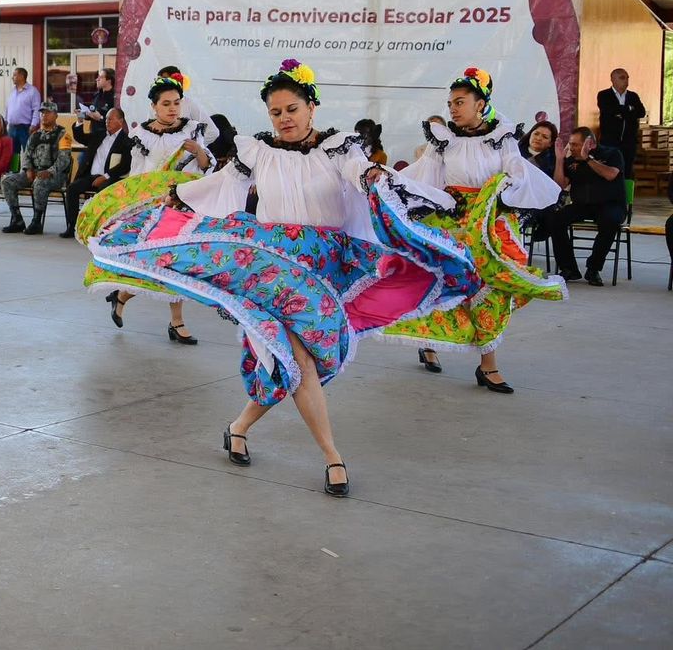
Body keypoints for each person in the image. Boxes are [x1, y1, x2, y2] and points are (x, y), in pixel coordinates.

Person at [93, 60, 475, 496]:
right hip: (272, 267)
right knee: (298, 358)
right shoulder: (258, 152)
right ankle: (332, 457)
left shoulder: (338, 148)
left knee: (293, 361)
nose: (284, 119)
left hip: (328, 266)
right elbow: (222, 188)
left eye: (292, 109)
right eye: (276, 112)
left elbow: (360, 172)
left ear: (312, 107)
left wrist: (375, 177)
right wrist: (180, 196)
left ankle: (239, 427)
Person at [386, 68, 566, 392]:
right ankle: (431, 341)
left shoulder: (502, 137)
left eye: (460, 102)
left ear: (480, 103)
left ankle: (488, 365)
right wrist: (393, 189)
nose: (453, 108)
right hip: (454, 219)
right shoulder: (443, 139)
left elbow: (516, 173)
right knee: (443, 281)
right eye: (450, 102)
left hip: (488, 220)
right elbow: (425, 177)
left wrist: (500, 191)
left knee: (493, 284)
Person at [77, 73, 214, 340]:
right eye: (166, 104)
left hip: (183, 206)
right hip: (154, 208)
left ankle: (175, 320)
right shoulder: (142, 135)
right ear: (154, 106)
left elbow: (206, 169)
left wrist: (198, 151)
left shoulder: (192, 129)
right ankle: (123, 294)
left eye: (176, 103)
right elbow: (138, 176)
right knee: (151, 262)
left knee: (177, 262)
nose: (173, 108)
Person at [547, 127, 626, 286]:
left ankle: (593, 269)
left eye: (575, 144)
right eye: (570, 144)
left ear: (589, 143)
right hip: (582, 205)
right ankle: (569, 268)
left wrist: (588, 159)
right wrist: (560, 160)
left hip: (610, 204)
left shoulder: (611, 154)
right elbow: (559, 184)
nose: (572, 148)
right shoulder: (572, 160)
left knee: (610, 221)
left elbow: (610, 175)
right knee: (555, 219)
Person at [60, 107, 133, 239]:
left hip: (109, 178)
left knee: (103, 192)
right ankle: (73, 226)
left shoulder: (126, 140)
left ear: (120, 121)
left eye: (110, 119)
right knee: (72, 189)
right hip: (90, 176)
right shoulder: (99, 134)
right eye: (106, 119)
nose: (107, 122)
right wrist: (80, 121)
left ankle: (96, 227)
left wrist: (105, 177)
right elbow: (80, 137)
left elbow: (125, 165)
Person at [0, 102, 70, 235]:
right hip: (34, 172)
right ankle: (17, 219)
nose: (44, 116)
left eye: (48, 113)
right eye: (42, 113)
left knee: (39, 183)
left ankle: (37, 221)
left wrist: (49, 172)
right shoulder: (35, 135)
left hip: (55, 176)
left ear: (56, 115)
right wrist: (27, 169)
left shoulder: (63, 135)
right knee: (7, 181)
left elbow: (64, 160)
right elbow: (26, 155)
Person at [596, 68, 645, 174]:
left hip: (629, 142)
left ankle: (625, 191)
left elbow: (641, 112)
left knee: (627, 171)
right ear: (613, 79)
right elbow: (609, 110)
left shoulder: (633, 96)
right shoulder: (604, 95)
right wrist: (629, 109)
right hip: (609, 142)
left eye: (627, 78)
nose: (626, 81)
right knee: (609, 169)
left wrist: (620, 112)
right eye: (622, 78)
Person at [5, 67, 41, 151]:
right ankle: (16, 165)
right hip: (12, 128)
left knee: (28, 153)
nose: (12, 77)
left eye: (14, 75)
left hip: (25, 128)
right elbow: (8, 108)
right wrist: (5, 121)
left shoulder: (32, 91)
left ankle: (27, 165)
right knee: (13, 154)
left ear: (21, 76)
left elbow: (36, 109)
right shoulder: (12, 92)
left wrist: (33, 125)